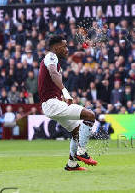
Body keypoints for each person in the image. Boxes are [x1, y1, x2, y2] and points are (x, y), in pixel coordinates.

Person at [38, 35, 97, 171]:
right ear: (56, 47)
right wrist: (64, 91)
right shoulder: (51, 56)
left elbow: (53, 78)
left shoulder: (52, 59)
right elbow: (53, 73)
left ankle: (71, 164)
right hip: (51, 103)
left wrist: (62, 95)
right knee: (90, 116)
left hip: (53, 103)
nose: (67, 49)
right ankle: (81, 152)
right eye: (64, 46)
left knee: (77, 130)